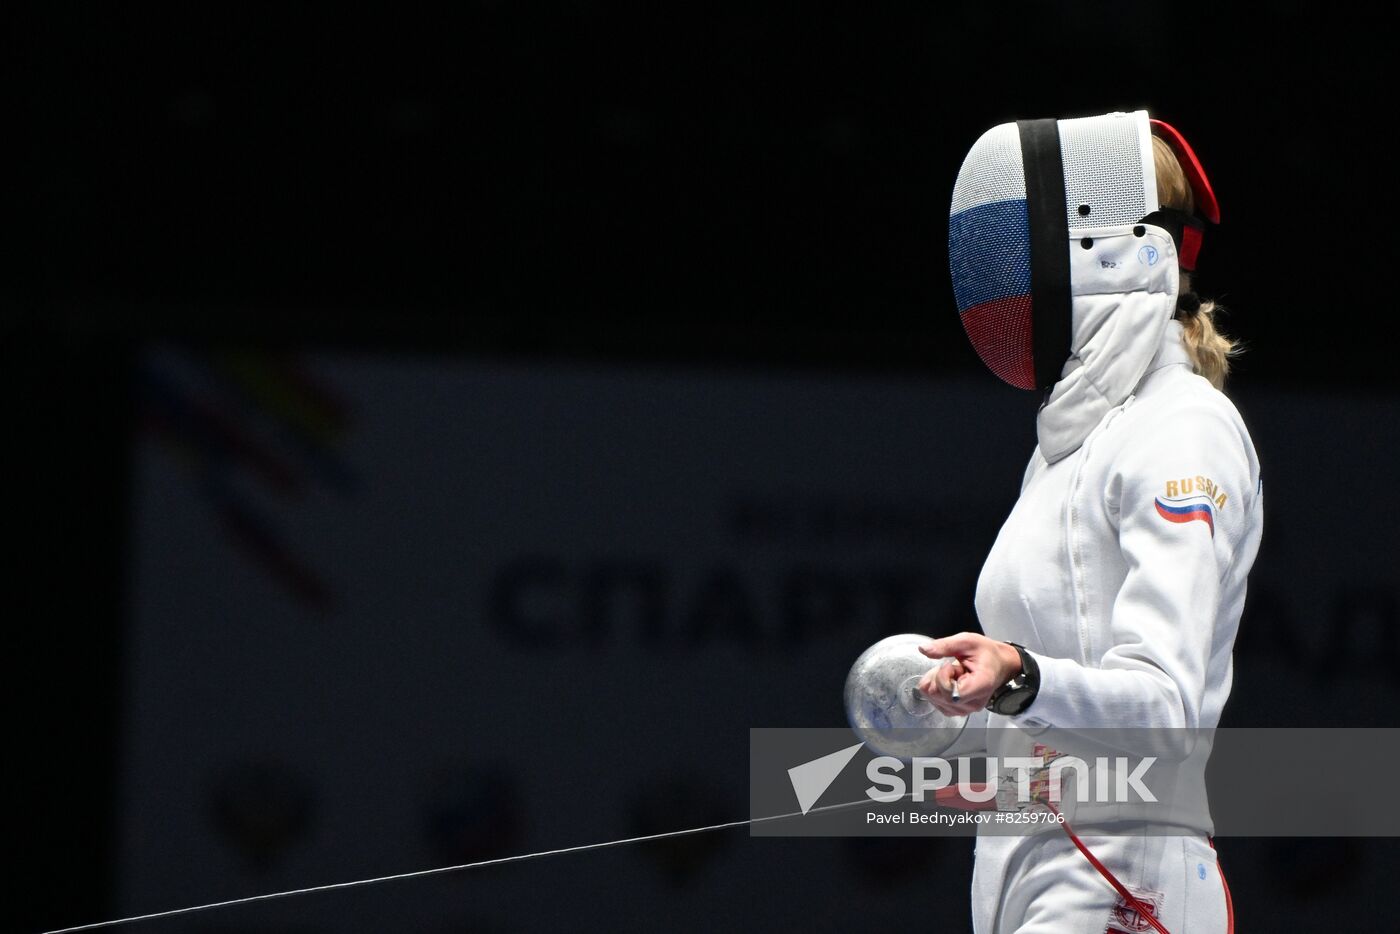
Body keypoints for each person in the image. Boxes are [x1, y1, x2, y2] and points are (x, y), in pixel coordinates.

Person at [921, 110, 1262, 933]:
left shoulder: (1181, 429)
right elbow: (1054, 705)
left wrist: (1019, 673)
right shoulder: (1071, 444)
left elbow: (1167, 709)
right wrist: (957, 710)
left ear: (1111, 252)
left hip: (1123, 872)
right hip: (1031, 865)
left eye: (1019, 239)